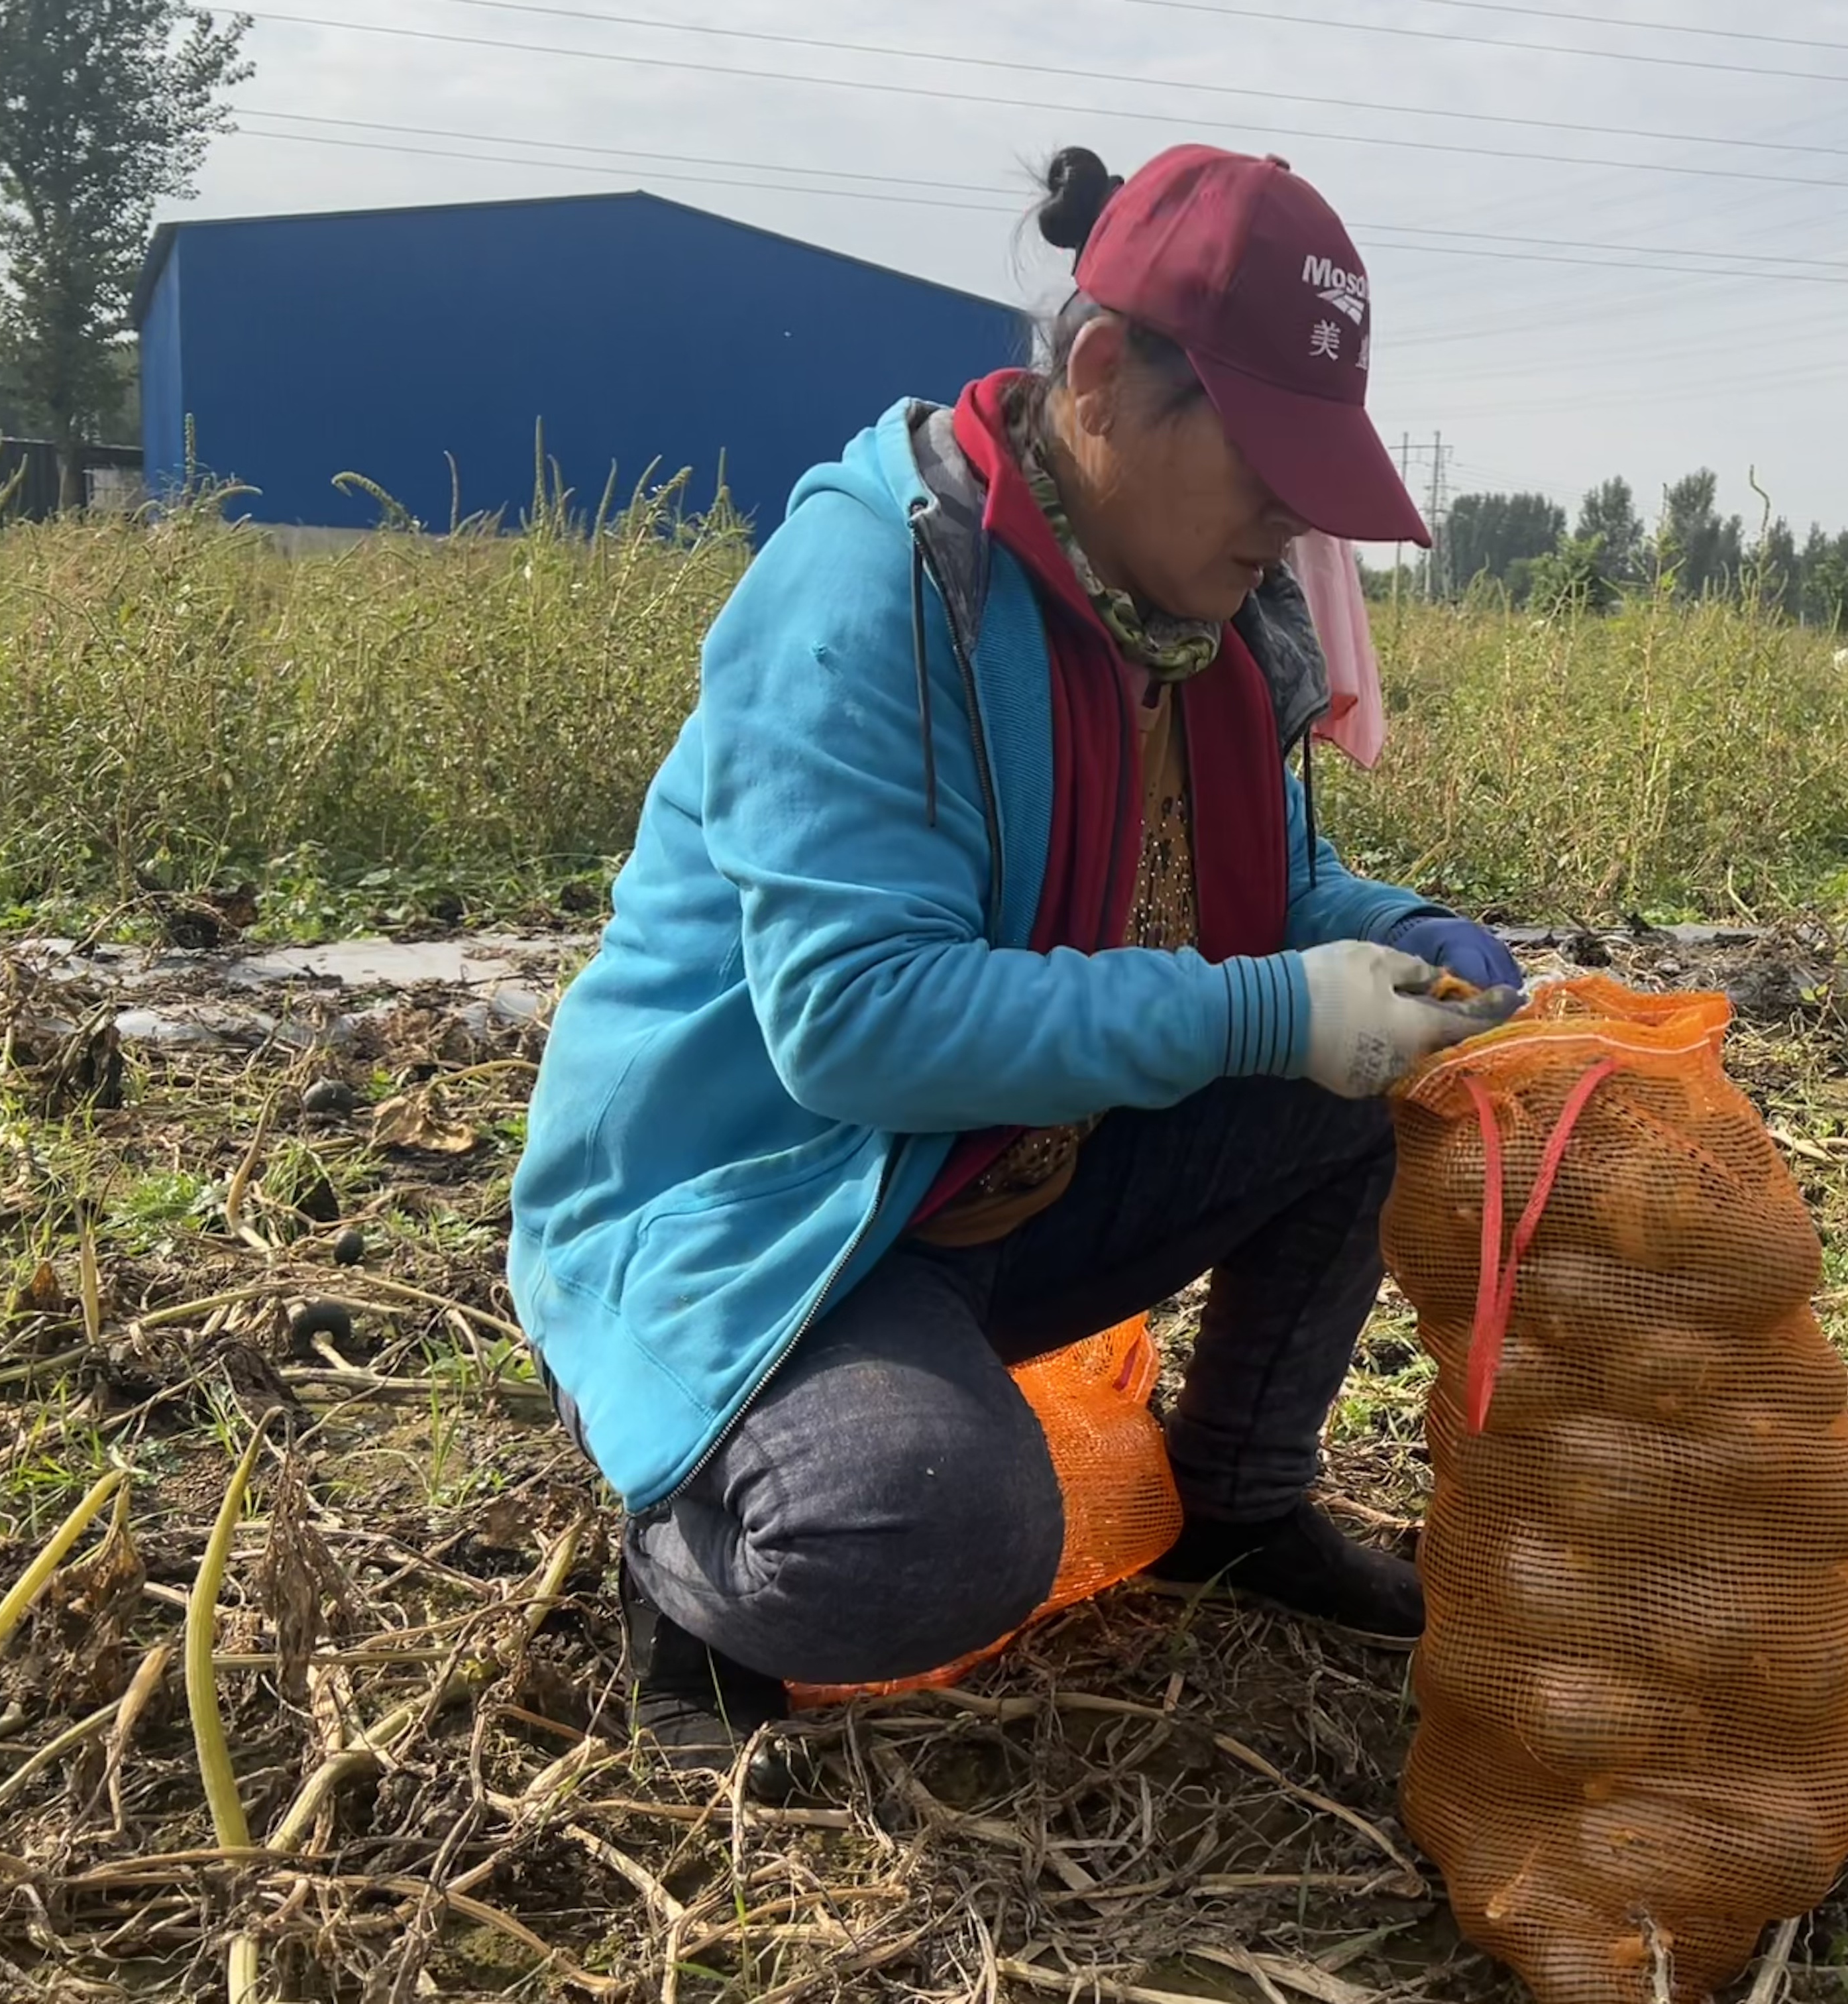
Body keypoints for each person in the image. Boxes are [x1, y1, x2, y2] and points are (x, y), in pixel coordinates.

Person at [507, 142, 1526, 1763]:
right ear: (1105, 377)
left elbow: (1269, 883)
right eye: (1264, 458)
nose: (1291, 513)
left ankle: (1236, 1498)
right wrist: (1269, 1013)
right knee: (931, 1533)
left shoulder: (1192, 625)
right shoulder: (882, 586)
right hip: (770, 1207)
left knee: (1374, 1084)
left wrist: (1400, 938)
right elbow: (853, 1023)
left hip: (993, 1175)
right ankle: (691, 1540)